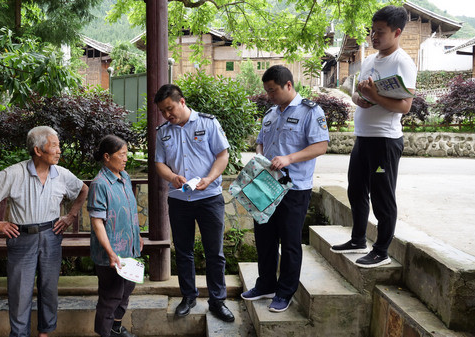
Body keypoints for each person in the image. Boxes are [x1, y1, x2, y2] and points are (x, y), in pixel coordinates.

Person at [0, 126, 89, 337]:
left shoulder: (62, 174)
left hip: (51, 235)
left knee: (49, 290)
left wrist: (71, 216)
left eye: (59, 145)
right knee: (20, 293)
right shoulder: (15, 173)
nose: (59, 150)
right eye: (54, 146)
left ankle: (45, 333)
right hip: (22, 238)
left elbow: (83, 190)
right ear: (38, 150)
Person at [330, 5, 416, 268]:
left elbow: (405, 106)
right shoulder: (369, 60)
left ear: (397, 32)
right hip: (363, 136)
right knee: (356, 190)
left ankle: (382, 250)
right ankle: (358, 239)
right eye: (372, 31)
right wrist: (361, 99)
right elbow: (356, 94)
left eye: (380, 31)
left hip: (385, 139)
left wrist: (375, 97)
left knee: (382, 195)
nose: (373, 36)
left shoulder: (402, 62)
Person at [240, 65, 329, 313]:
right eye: (267, 91)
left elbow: (321, 146)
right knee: (264, 238)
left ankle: (285, 291)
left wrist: (288, 159)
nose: (269, 95)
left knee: (290, 242)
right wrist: (259, 156)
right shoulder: (271, 113)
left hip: (294, 188)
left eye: (273, 90)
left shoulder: (310, 111)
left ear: (288, 85)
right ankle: (266, 284)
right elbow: (260, 143)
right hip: (265, 185)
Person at [154, 84, 235, 322]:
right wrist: (172, 177)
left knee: (214, 252)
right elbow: (159, 163)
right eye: (163, 111)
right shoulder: (163, 132)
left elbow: (223, 155)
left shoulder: (208, 123)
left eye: (170, 108)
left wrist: (209, 179)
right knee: (184, 251)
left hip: (209, 198)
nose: (168, 115)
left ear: (182, 101)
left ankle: (217, 301)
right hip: (179, 199)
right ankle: (188, 297)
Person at [87, 135, 143, 337]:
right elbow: (97, 223)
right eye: (122, 154)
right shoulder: (99, 184)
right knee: (110, 296)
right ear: (107, 156)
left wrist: (137, 237)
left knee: (126, 290)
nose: (126, 158)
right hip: (111, 253)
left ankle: (116, 328)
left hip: (129, 248)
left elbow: (128, 211)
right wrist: (110, 252)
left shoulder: (124, 176)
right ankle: (104, 332)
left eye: (126, 154)